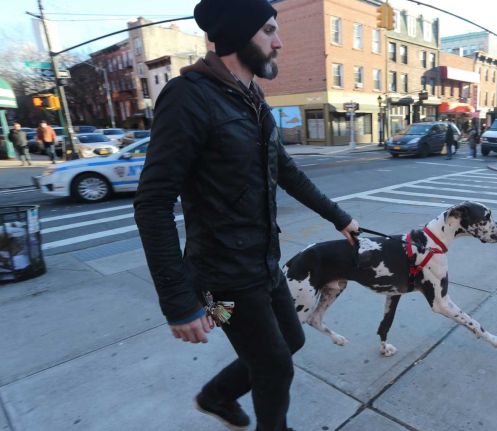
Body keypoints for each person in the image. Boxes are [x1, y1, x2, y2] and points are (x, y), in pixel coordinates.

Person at [133, 1, 359, 430]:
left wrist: (338, 216)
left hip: (261, 266)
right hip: (220, 279)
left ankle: (216, 395)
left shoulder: (252, 99)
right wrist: (179, 303)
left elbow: (286, 171)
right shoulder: (188, 99)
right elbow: (152, 204)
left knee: (290, 339)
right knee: (274, 366)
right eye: (269, 30)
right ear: (239, 35)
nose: (279, 42)